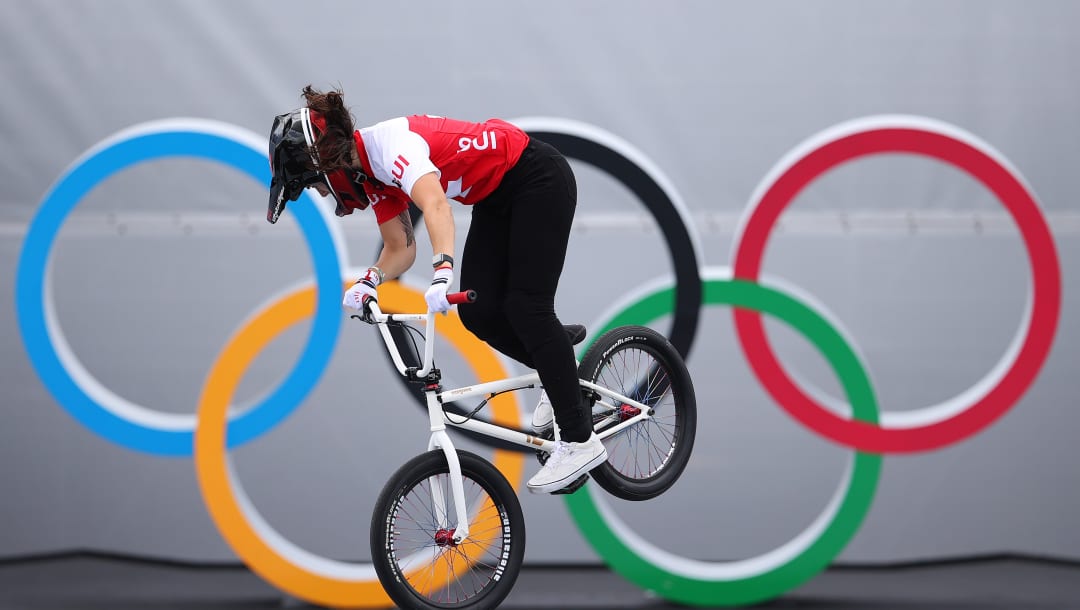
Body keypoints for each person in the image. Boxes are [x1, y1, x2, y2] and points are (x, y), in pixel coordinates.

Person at [266, 85, 606, 494]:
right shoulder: (369, 176)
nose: (323, 194)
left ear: (329, 161)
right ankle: (558, 370)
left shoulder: (388, 149)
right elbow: (399, 249)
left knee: (526, 306)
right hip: (498, 197)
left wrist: (443, 270)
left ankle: (580, 441)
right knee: (478, 314)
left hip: (537, 177)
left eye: (316, 185)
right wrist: (369, 280)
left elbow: (436, 205)